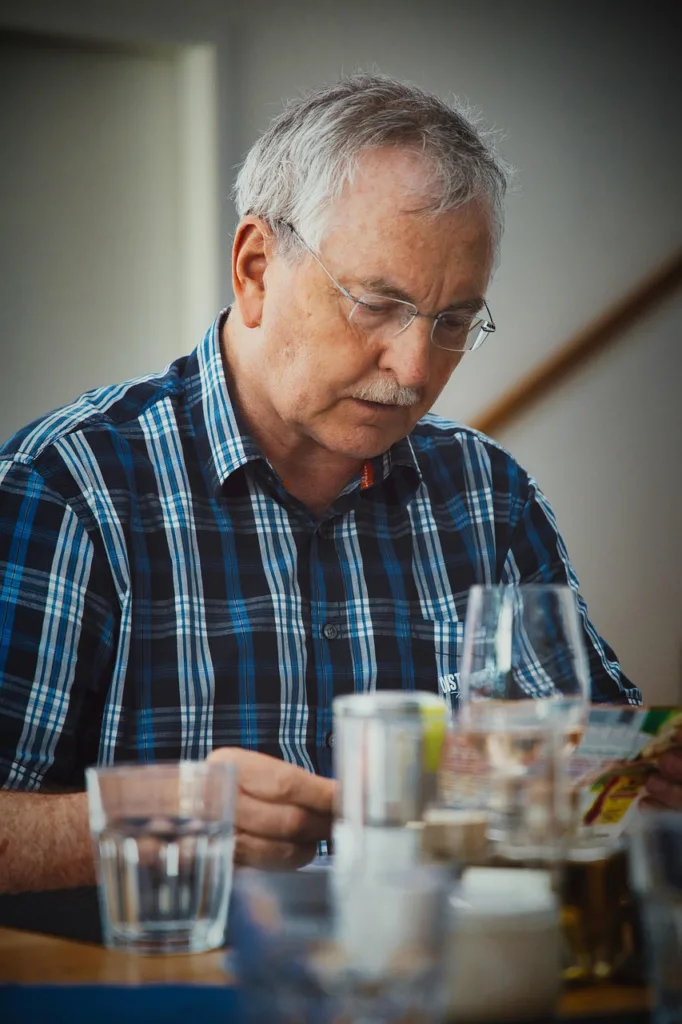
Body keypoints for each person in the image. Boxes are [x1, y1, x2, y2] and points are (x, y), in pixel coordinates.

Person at [0, 74, 679, 893]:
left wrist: (642, 777)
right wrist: (167, 815)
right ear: (255, 269)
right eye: (377, 303)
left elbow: (595, 762)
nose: (416, 369)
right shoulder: (68, 490)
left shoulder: (489, 496)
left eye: (454, 321)